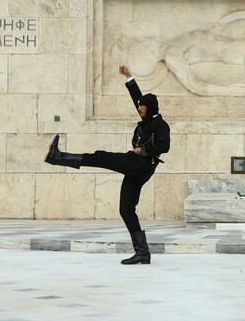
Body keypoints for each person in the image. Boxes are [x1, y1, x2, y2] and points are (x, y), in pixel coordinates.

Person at [44, 64, 170, 265]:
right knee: (126, 209)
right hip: (137, 169)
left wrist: (142, 151)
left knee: (102, 157)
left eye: (141, 107)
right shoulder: (147, 119)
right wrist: (129, 77)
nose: (138, 108)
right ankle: (142, 253)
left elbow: (165, 146)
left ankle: (58, 157)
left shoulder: (160, 125)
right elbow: (138, 97)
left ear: (150, 108)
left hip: (141, 165)